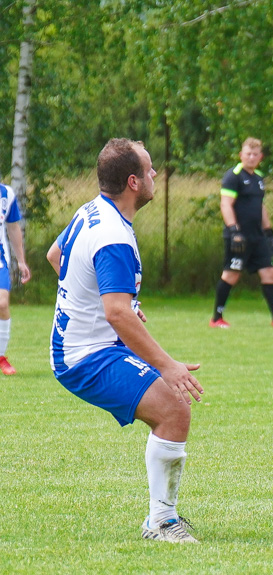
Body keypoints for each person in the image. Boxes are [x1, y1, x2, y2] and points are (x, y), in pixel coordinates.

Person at [47, 139, 204, 542]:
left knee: (174, 410)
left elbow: (55, 255)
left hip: (90, 346)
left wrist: (114, 300)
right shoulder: (114, 235)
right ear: (133, 182)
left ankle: (162, 517)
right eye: (150, 171)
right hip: (86, 355)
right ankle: (161, 522)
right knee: (174, 411)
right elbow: (116, 313)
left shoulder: (92, 211)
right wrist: (167, 364)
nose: (156, 176)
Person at [210, 137, 273, 328]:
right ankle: (216, 318)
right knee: (231, 274)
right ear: (241, 155)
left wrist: (268, 231)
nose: (251, 157)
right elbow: (225, 204)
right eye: (247, 154)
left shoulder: (258, 178)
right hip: (239, 236)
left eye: (255, 154)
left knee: (269, 272)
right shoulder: (233, 176)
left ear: (260, 157)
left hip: (257, 237)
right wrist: (234, 230)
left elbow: (260, 207)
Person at [0, 181, 31, 375]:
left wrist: (21, 261)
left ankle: (1, 357)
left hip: (0, 260)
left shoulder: (6, 194)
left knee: (2, 304)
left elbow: (13, 228)